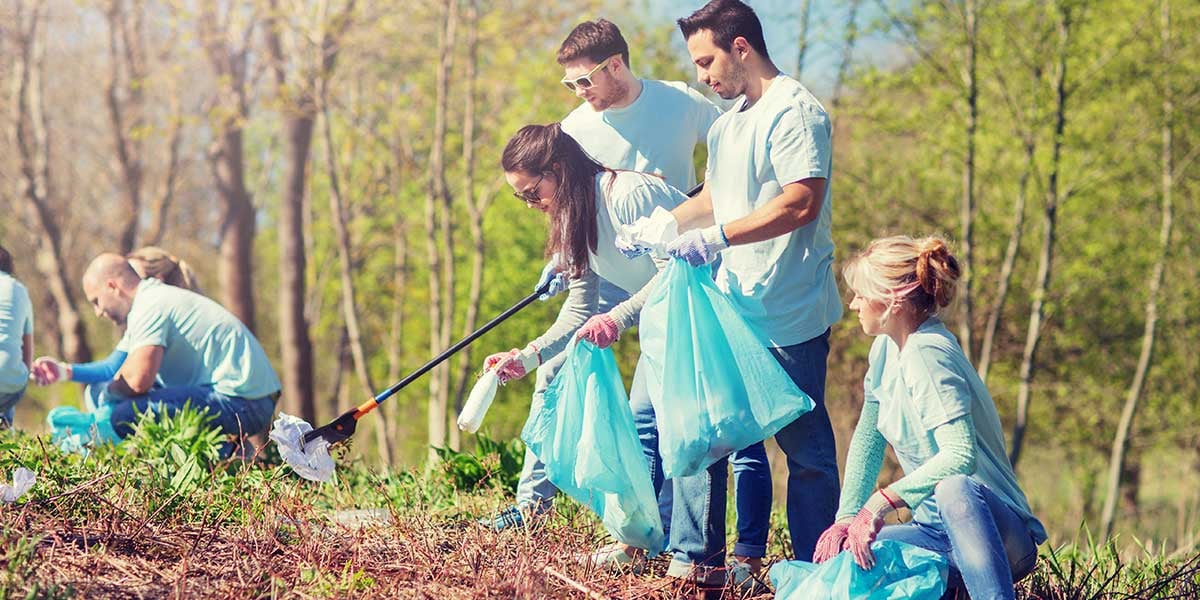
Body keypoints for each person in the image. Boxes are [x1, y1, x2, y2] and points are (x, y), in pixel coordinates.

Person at [661, 0, 843, 585]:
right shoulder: (728, 122)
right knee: (710, 434)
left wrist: (715, 237)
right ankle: (701, 567)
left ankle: (813, 578)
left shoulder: (796, 113)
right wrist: (667, 225)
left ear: (742, 48)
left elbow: (800, 202)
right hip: (731, 306)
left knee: (806, 454)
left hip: (789, 312)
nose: (702, 76)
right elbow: (716, 196)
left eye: (706, 60)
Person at [482, 123, 689, 566]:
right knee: (645, 422)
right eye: (521, 198)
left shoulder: (626, 195)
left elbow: (675, 273)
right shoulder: (573, 216)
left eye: (531, 192)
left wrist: (617, 317)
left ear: (557, 169)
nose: (531, 204)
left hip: (703, 310)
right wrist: (527, 356)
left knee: (665, 426)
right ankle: (646, 544)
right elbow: (579, 309)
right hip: (663, 319)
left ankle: (681, 549)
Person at [814, 235, 1046, 600]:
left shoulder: (928, 352)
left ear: (892, 301)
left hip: (999, 537)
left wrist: (880, 502)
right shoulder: (885, 350)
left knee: (954, 485)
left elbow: (960, 455)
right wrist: (846, 518)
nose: (854, 303)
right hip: (934, 532)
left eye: (862, 293)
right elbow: (869, 439)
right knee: (850, 556)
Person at [61, 253, 279, 445]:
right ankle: (231, 450)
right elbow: (114, 369)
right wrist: (69, 374)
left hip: (245, 403)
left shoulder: (149, 305)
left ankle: (227, 454)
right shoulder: (151, 300)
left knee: (125, 415)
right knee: (124, 399)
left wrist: (109, 395)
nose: (98, 312)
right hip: (249, 397)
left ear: (112, 287)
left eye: (96, 301)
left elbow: (138, 381)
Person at [31, 247, 203, 389]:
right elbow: (111, 367)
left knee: (115, 400)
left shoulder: (154, 305)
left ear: (156, 280)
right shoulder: (142, 314)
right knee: (98, 391)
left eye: (133, 274)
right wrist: (63, 370)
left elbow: (138, 381)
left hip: (200, 394)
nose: (129, 281)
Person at [0, 246, 34, 427]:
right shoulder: (20, 290)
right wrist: (23, 377)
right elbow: (27, 349)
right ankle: (5, 430)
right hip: (11, 385)